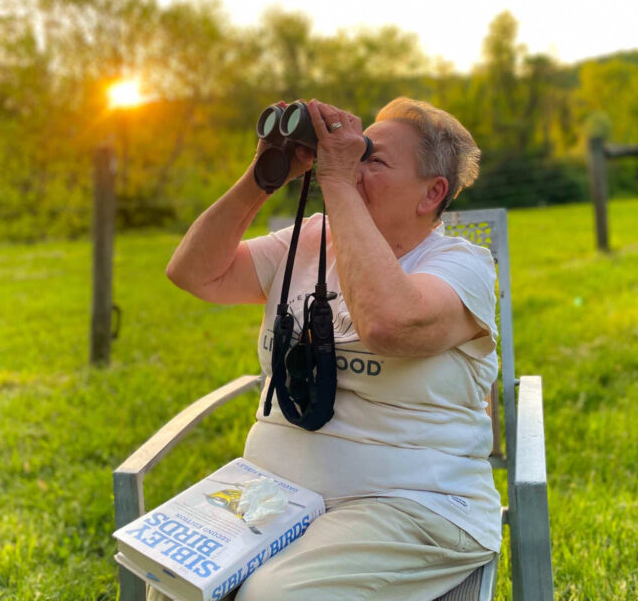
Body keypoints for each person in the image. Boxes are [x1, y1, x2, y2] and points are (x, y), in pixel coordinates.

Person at [163, 98, 501, 601]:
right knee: (180, 585)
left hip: (412, 506)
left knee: (274, 597)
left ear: (432, 193)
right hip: (277, 495)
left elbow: (388, 324)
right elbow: (194, 273)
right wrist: (263, 175)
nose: (352, 166)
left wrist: (340, 181)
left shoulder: (462, 265)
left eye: (373, 159)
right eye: (353, 155)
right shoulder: (309, 239)